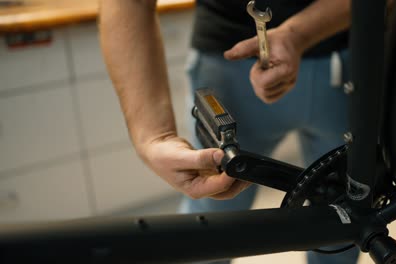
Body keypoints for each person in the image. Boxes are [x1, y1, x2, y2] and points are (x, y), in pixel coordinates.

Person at [99, 0, 359, 263]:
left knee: (344, 219)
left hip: (349, 59)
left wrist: (297, 34)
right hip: (227, 65)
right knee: (211, 230)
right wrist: (154, 136)